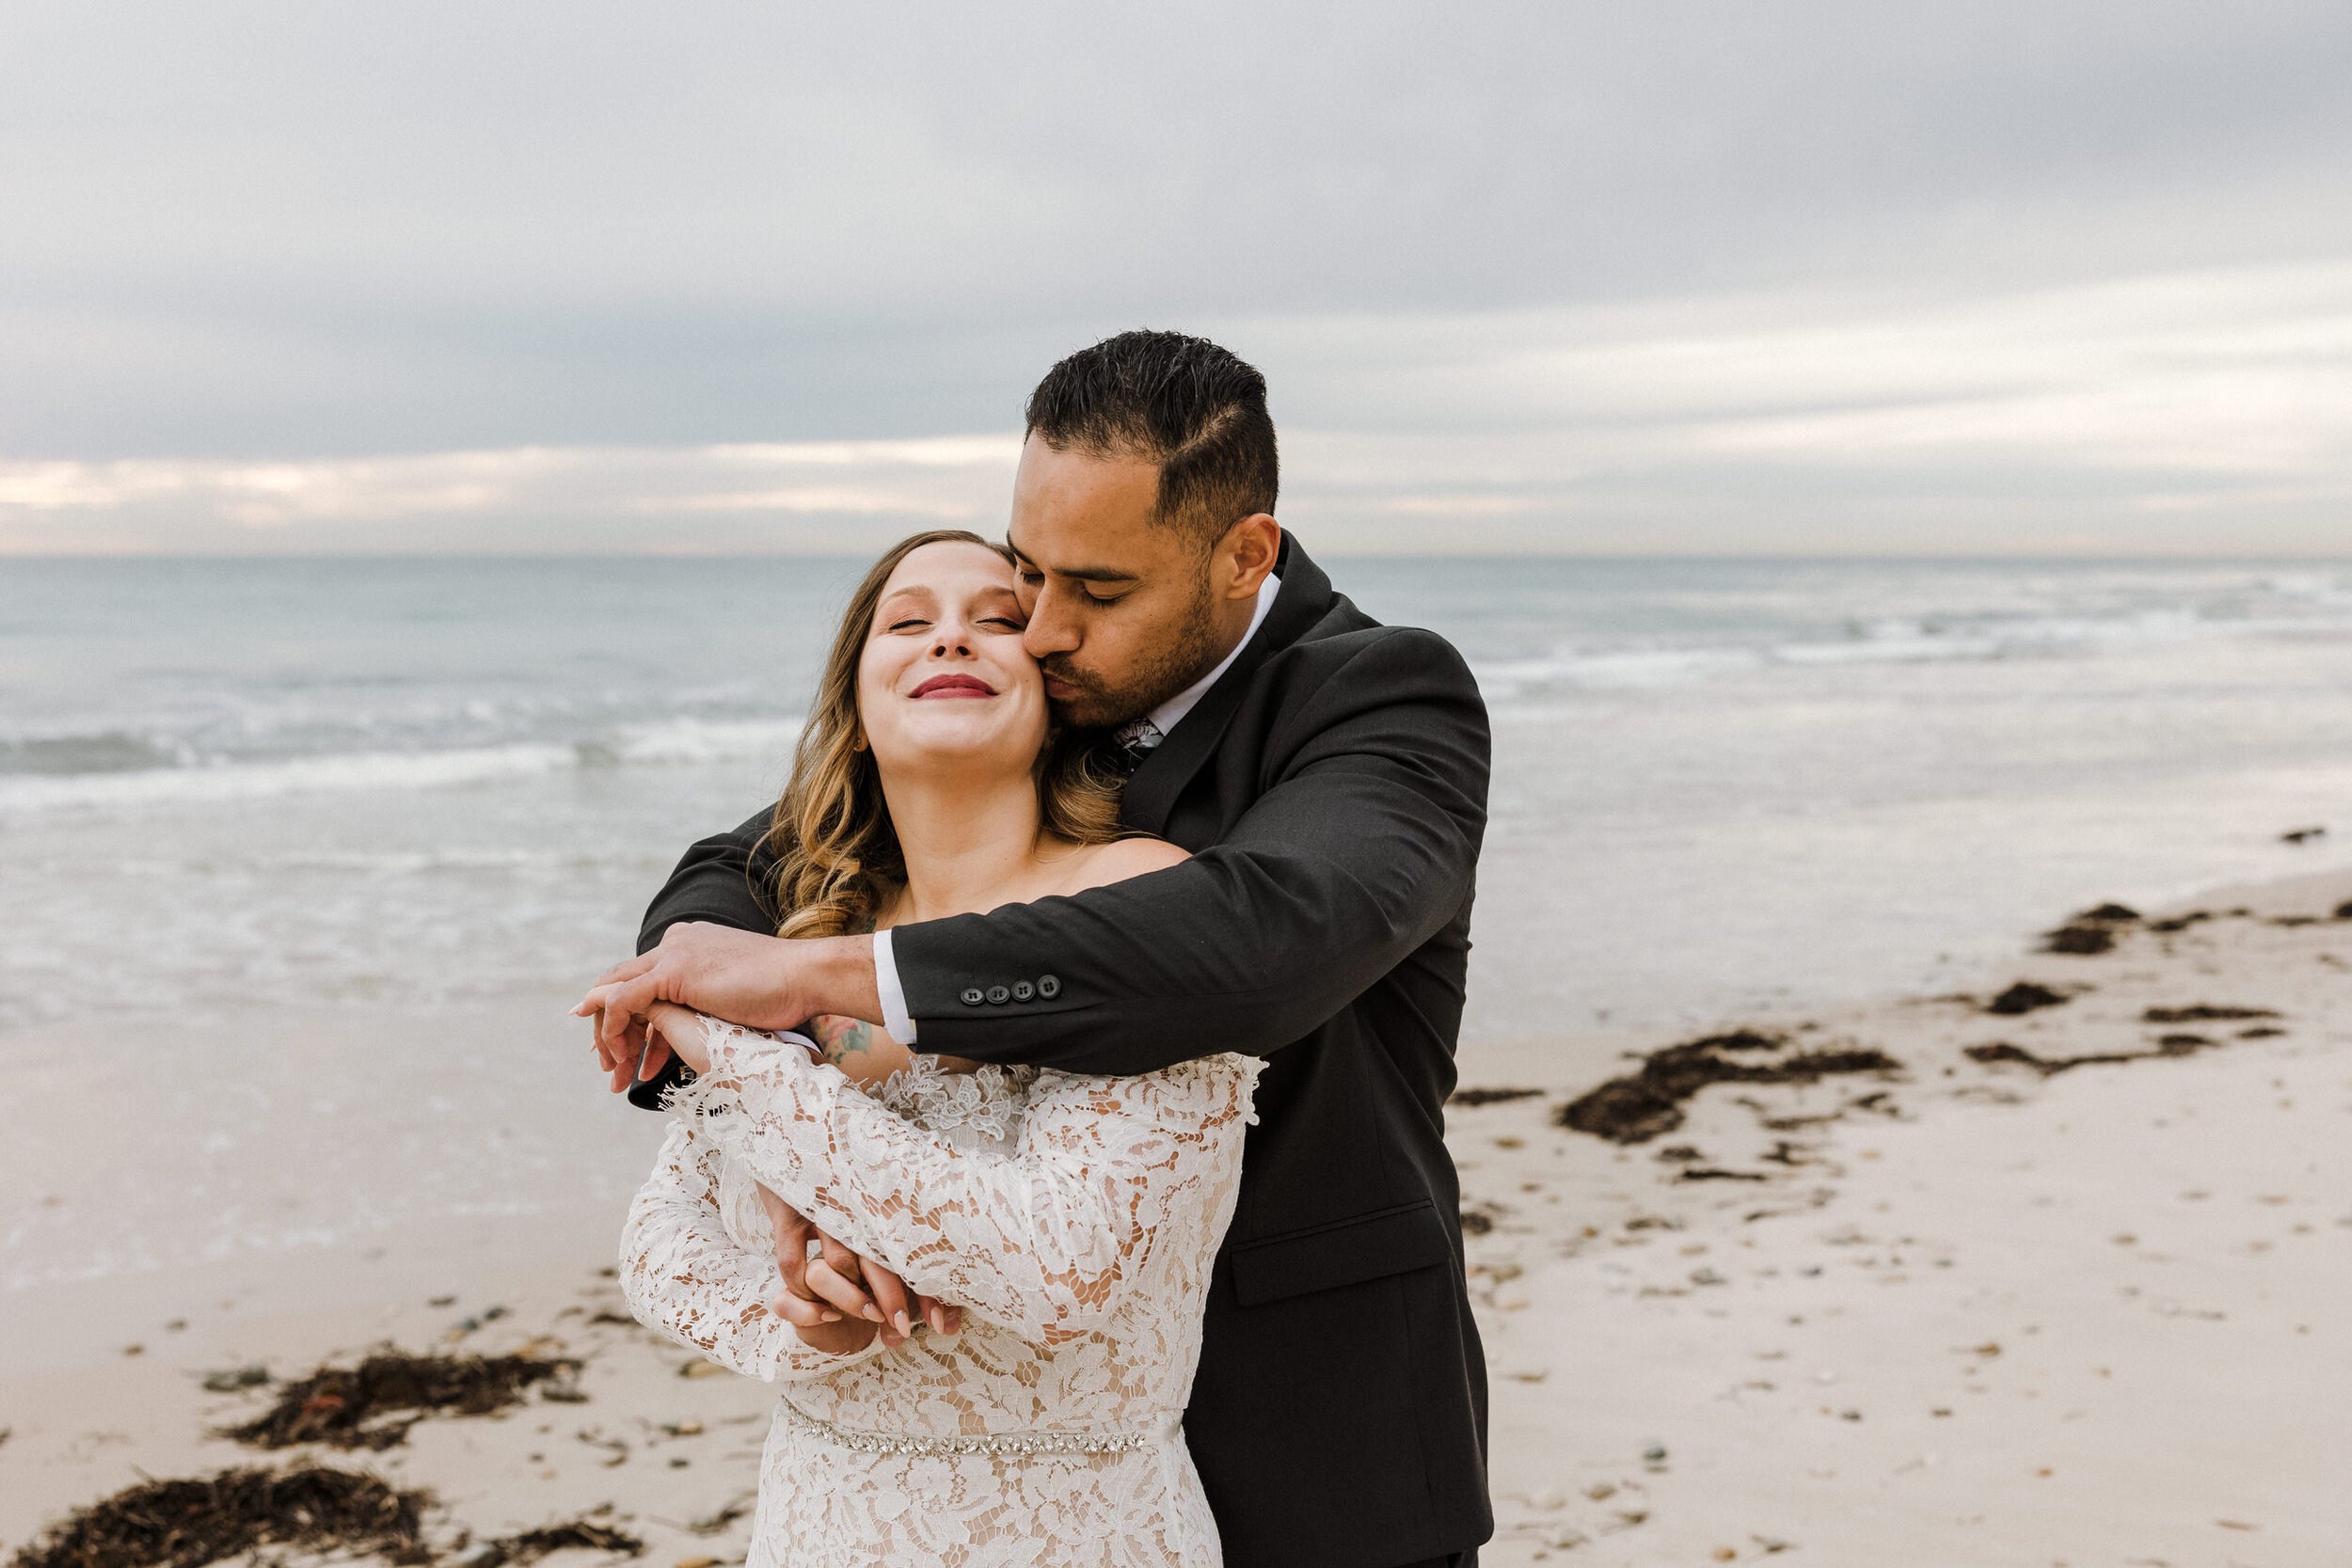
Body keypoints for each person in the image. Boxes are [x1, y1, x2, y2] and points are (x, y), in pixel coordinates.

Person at [582, 330, 1493, 1568]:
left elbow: (1268, 943)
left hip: (1308, 1422)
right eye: (1031, 574)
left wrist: (830, 987)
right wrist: (757, 1100)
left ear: (1245, 554)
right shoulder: (1043, 680)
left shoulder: (1381, 698)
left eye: (1099, 589)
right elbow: (746, 875)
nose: (1046, 628)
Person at [613, 529, 1260, 1565]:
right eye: (908, 623)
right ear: (856, 712)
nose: (950, 637)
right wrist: (805, 1318)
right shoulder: (804, 935)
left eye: (996, 621)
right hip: (820, 1519)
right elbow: (659, 1246)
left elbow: (1065, 1264)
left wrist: (727, 1048)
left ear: (1055, 697)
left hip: (1078, 1527)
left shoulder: (1140, 895)